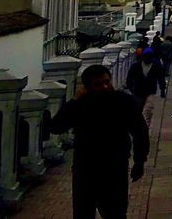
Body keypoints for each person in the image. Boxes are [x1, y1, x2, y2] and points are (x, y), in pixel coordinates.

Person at [49, 63, 149, 219]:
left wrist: (139, 161)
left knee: (116, 213)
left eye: (107, 82)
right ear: (87, 87)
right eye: (98, 84)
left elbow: (140, 132)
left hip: (114, 169)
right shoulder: (80, 105)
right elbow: (56, 127)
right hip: (86, 170)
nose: (105, 87)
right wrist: (74, 100)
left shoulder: (123, 102)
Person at [125, 47, 167, 128]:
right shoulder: (136, 66)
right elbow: (129, 78)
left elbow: (161, 78)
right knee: (138, 110)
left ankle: (145, 128)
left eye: (150, 56)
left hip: (150, 91)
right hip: (138, 91)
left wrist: (162, 89)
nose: (148, 58)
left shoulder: (156, 66)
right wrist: (131, 89)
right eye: (146, 56)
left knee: (147, 111)